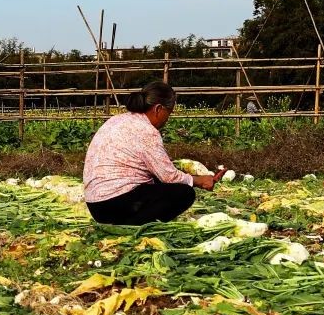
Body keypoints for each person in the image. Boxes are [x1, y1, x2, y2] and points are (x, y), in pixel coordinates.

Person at [83, 80, 223, 225]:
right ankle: (132, 225)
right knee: (184, 194)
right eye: (168, 113)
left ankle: (129, 221)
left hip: (95, 204)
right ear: (158, 109)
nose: (167, 120)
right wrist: (198, 180)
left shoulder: (116, 120)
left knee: (158, 182)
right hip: (115, 204)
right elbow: (169, 177)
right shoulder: (147, 131)